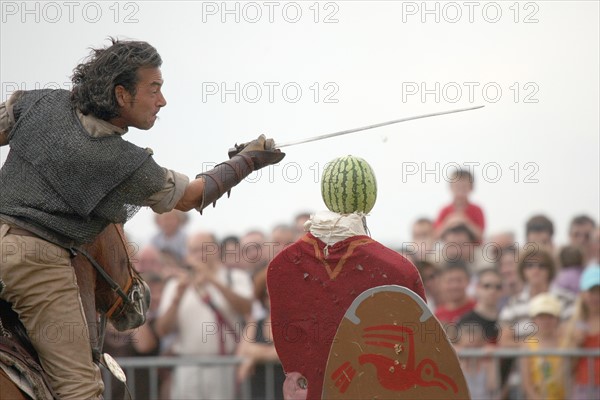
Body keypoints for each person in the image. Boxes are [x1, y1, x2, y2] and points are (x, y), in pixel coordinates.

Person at [0, 39, 284, 399]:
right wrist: (248, 161)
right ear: (121, 95)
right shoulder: (124, 162)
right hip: (36, 263)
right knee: (81, 388)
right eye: (154, 89)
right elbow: (192, 196)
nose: (161, 101)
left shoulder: (38, 102)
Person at [155, 232, 254, 399]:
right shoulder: (175, 284)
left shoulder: (235, 277)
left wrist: (213, 280)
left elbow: (246, 308)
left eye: (204, 249)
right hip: (187, 365)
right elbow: (162, 330)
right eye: (193, 250)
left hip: (225, 366)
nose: (198, 255)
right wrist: (176, 299)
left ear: (216, 250)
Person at [561, 266, 600, 400]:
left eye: (598, 291)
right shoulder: (574, 323)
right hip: (582, 387)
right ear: (583, 294)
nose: (595, 297)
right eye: (591, 291)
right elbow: (568, 364)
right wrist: (576, 344)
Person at [520, 293, 566, 400]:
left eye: (550, 317)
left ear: (557, 319)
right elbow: (526, 383)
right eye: (541, 317)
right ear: (534, 320)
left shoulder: (566, 344)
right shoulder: (527, 346)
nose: (546, 321)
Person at [434, 168, 485, 243]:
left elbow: (480, 236)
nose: (460, 190)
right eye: (457, 186)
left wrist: (465, 221)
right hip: (449, 249)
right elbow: (435, 236)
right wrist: (449, 222)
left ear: (471, 188)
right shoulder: (444, 210)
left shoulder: (477, 210)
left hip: (472, 249)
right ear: (451, 187)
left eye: (464, 187)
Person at [458, 268, 503, 344]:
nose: (492, 291)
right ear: (477, 288)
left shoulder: (506, 317)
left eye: (498, 287)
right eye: (487, 286)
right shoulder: (466, 320)